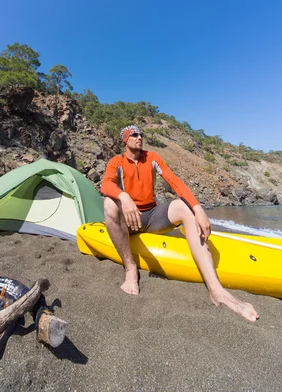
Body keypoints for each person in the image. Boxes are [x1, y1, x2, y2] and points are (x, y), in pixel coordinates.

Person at [101, 125, 259, 322]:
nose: (139, 137)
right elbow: (106, 184)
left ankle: (216, 290)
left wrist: (197, 208)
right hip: (130, 219)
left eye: (141, 134)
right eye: (134, 134)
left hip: (151, 216)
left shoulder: (152, 158)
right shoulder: (117, 161)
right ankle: (130, 269)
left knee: (183, 207)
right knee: (109, 203)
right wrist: (123, 196)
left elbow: (174, 181)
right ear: (125, 139)